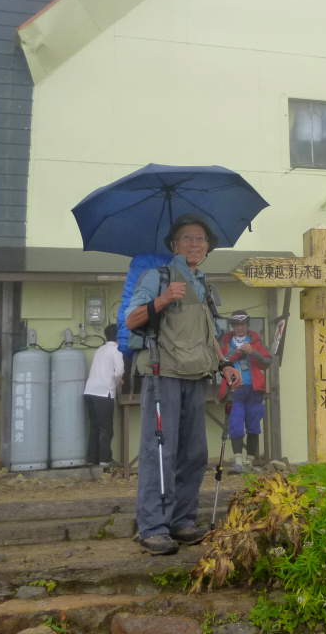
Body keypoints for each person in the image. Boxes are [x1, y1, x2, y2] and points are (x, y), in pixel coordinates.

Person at [125, 213, 241, 556]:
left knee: (193, 454)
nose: (194, 244)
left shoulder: (203, 283)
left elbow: (209, 333)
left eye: (201, 239)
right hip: (163, 375)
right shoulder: (157, 277)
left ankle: (181, 521)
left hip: (196, 376)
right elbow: (131, 320)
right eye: (187, 238)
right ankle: (153, 527)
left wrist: (224, 364)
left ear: (207, 248)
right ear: (174, 245)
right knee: (159, 450)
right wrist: (161, 300)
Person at [219, 310, 273, 473]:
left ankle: (249, 463)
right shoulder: (226, 342)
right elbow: (220, 361)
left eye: (242, 324)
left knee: (253, 424)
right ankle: (237, 463)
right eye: (237, 324)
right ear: (233, 326)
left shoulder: (257, 341)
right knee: (235, 424)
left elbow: (267, 362)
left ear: (247, 325)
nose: (240, 327)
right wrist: (238, 352)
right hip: (234, 389)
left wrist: (252, 351)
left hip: (254, 389)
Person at [83, 323, 123, 467]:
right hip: (103, 392)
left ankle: (92, 459)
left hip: (89, 391)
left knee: (95, 426)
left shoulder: (100, 349)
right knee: (106, 428)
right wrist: (118, 382)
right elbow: (119, 372)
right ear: (119, 335)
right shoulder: (116, 349)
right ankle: (105, 460)